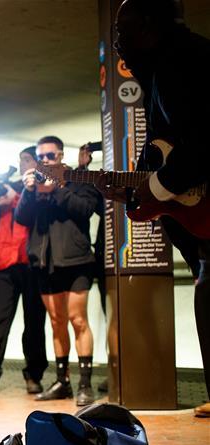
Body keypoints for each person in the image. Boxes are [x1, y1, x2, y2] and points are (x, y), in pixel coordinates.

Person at [114, 0, 210, 415]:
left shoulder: (180, 63)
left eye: (125, 30)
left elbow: (202, 146)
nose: (118, 42)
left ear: (151, 28)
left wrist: (154, 186)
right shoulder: (163, 70)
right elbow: (164, 152)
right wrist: (141, 192)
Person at [17, 135, 102, 406]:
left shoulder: (78, 179)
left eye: (50, 156)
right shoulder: (35, 186)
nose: (44, 161)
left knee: (78, 320)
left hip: (77, 261)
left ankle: (84, 384)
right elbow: (21, 218)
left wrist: (56, 189)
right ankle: (62, 381)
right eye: (41, 157)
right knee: (56, 322)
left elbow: (85, 209)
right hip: (45, 264)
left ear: (61, 156)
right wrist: (29, 191)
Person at [0, 148, 48, 395]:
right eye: (20, 161)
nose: (22, 164)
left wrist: (14, 197)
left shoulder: (40, 185)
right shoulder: (4, 189)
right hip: (5, 264)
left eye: (27, 160)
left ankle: (34, 376)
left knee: (34, 324)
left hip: (31, 263)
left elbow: (33, 213)